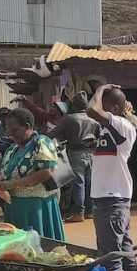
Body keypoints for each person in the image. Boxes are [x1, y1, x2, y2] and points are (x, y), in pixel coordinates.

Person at [0, 108, 65, 271]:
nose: (11, 134)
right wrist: (1, 183)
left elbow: (47, 171)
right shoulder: (13, 148)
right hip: (16, 207)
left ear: (28, 127)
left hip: (37, 207)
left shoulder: (40, 143)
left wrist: (14, 183)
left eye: (15, 130)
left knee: (38, 253)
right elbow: (6, 171)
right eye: (9, 130)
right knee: (22, 254)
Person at [87, 83, 137, 271]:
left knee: (113, 260)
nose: (101, 108)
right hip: (113, 198)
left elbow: (91, 110)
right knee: (126, 257)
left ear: (116, 108)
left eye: (106, 105)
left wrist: (99, 89)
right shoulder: (113, 128)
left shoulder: (121, 125)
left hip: (111, 200)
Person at [51, 92, 100, 223]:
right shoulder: (94, 120)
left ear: (74, 105)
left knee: (79, 183)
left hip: (76, 153)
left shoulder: (70, 119)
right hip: (91, 153)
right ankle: (90, 211)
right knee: (90, 183)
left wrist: (40, 137)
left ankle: (79, 213)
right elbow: (99, 136)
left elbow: (54, 132)